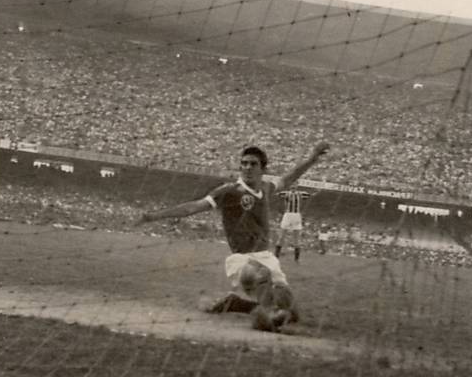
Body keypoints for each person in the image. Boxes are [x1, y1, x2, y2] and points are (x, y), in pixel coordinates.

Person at [137, 142, 330, 332]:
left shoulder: (265, 187)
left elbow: (289, 179)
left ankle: (236, 303)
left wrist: (312, 158)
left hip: (266, 256)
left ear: (263, 168)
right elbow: (193, 207)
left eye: (253, 164)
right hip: (242, 259)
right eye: (244, 163)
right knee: (264, 281)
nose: (247, 167)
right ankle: (264, 317)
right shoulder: (229, 191)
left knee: (291, 312)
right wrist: (152, 216)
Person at [274, 183, 312, 262]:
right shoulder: (286, 193)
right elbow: (277, 194)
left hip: (296, 216)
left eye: (295, 186)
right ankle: (276, 256)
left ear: (297, 186)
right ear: (290, 187)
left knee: (297, 238)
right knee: (282, 236)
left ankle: (296, 259)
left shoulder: (301, 193)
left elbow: (309, 195)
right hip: (287, 215)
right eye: (292, 186)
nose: (293, 187)